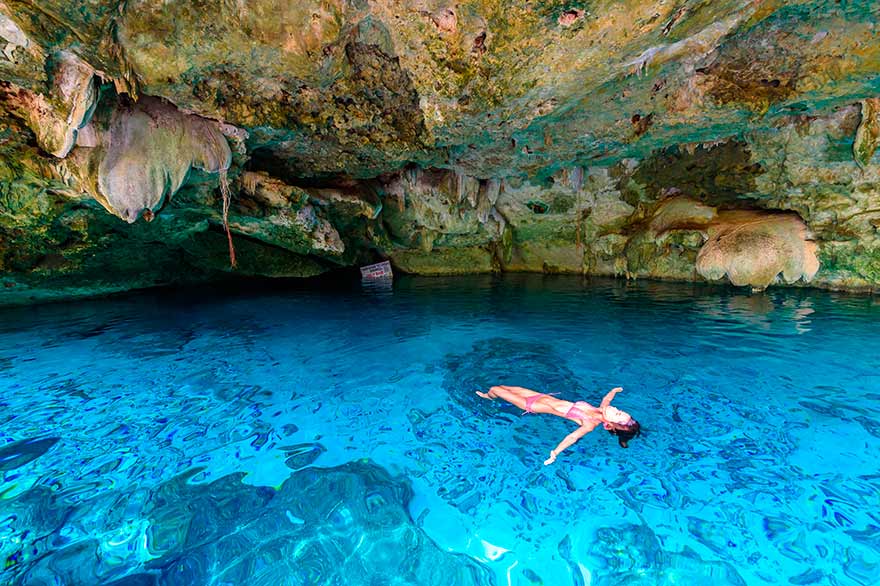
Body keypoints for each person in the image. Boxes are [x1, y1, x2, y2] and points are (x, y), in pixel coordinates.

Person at [476, 385, 641, 465]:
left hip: (532, 405)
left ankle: (488, 397)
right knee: (503, 387)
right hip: (540, 396)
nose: (617, 409)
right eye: (620, 410)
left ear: (610, 424)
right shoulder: (602, 409)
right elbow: (607, 399)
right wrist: (614, 391)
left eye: (618, 414)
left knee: (495, 389)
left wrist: (555, 452)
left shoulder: (589, 423)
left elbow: (572, 437)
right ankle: (490, 395)